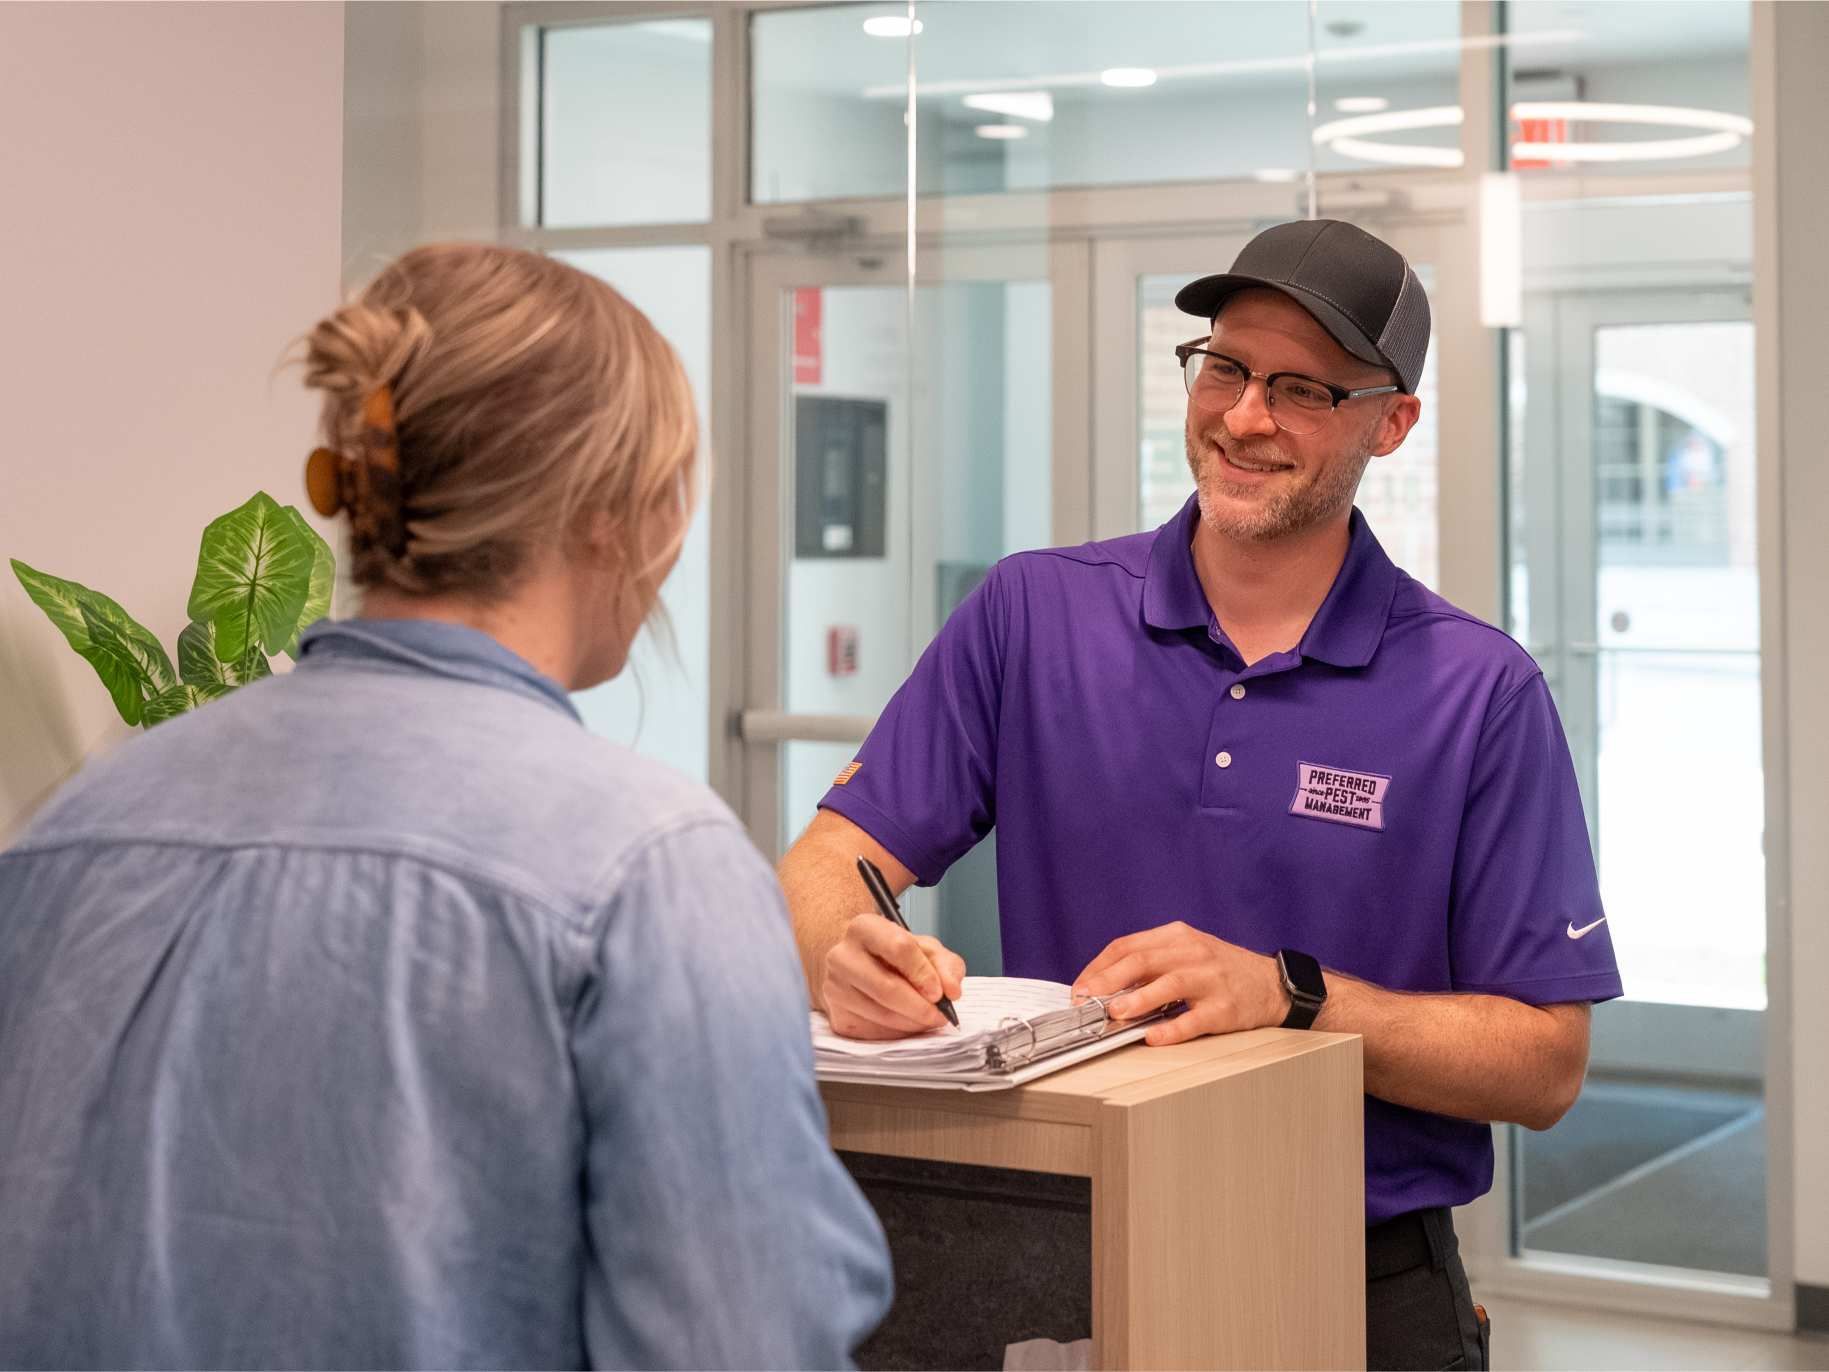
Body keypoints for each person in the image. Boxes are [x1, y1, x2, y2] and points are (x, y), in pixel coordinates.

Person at [0, 244, 890, 1369]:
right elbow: (741, 1337)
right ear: (609, 513)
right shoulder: (645, 866)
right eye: (671, 486)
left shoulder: (77, 826)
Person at [779, 219, 1623, 1372]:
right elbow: (831, 859)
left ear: (1391, 422)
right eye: (1222, 366)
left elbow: (1543, 1064)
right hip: (1043, 1261)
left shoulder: (1477, 692)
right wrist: (850, 949)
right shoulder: (1032, 616)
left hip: (1353, 1281)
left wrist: (1289, 994)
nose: (1241, 416)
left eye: (1301, 389)